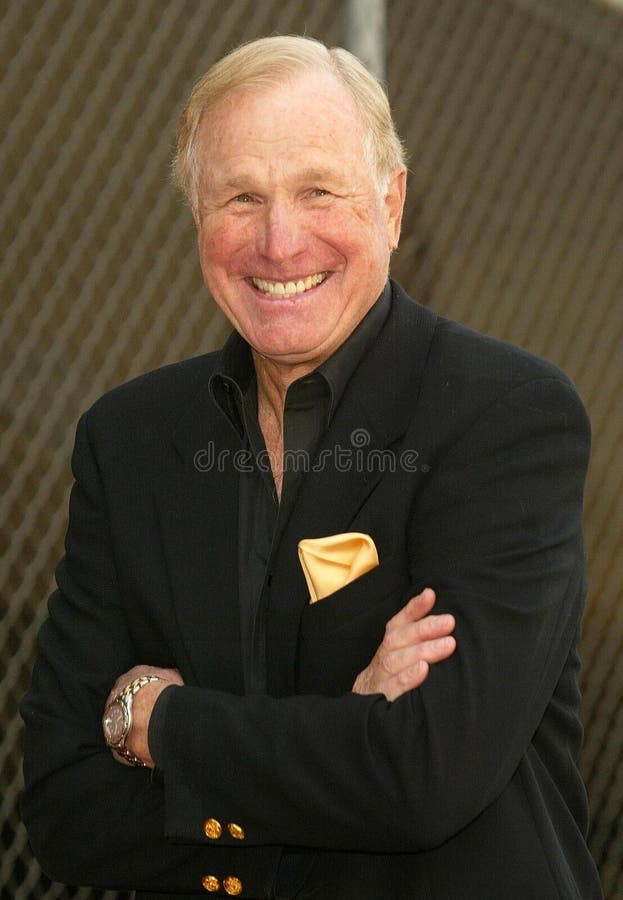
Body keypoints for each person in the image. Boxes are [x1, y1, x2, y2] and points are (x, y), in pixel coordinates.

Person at [21, 34, 602, 900]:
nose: (279, 240)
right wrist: (345, 731)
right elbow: (64, 811)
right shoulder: (130, 440)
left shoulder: (502, 416)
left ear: (392, 204)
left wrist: (165, 724)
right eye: (240, 197)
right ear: (196, 218)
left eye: (317, 190)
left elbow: (422, 779)